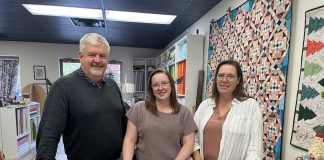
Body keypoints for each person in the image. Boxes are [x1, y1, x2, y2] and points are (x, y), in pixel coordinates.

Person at [36, 33, 126, 160]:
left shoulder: (113, 86)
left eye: (102, 56)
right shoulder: (62, 86)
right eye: (92, 55)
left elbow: (123, 123)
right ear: (81, 57)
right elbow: (48, 134)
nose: (97, 60)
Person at [192, 60, 263, 160]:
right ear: (216, 78)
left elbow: (255, 150)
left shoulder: (251, 106)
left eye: (230, 76)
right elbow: (193, 138)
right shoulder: (205, 105)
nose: (224, 80)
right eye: (220, 75)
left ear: (238, 80)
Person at [122, 69, 197, 160]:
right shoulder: (139, 108)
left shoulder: (184, 112)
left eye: (164, 83)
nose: (160, 88)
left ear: (171, 85)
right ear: (151, 88)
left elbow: (189, 143)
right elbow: (129, 140)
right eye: (155, 85)